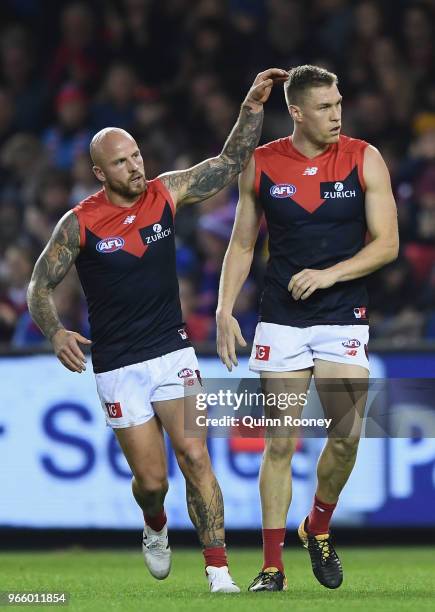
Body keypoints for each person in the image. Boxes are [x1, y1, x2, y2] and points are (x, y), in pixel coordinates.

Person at [26, 68, 289, 594]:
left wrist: (252, 106)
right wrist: (55, 331)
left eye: (137, 155)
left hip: (172, 352)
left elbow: (228, 164)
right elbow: (37, 286)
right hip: (118, 366)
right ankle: (155, 524)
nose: (135, 167)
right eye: (121, 162)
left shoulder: (165, 194)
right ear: (101, 173)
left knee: (196, 458)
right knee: (153, 482)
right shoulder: (78, 224)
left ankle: (219, 572)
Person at [216, 65, 399, 591]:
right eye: (324, 107)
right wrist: (227, 309)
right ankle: (272, 567)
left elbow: (386, 243)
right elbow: (243, 244)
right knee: (280, 442)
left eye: (339, 103)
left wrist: (329, 275)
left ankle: (317, 526)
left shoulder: (364, 158)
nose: (337, 114)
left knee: (345, 436)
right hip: (281, 319)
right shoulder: (264, 163)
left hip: (342, 314)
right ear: (296, 112)